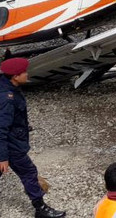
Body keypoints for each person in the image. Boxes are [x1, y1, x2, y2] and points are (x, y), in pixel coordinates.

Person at [0, 57, 67, 218]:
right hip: (11, 145)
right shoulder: (7, 98)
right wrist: (3, 157)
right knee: (29, 172)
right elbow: (1, 128)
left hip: (11, 140)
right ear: (15, 76)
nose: (27, 74)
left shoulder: (7, 86)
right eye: (24, 72)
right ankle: (40, 208)